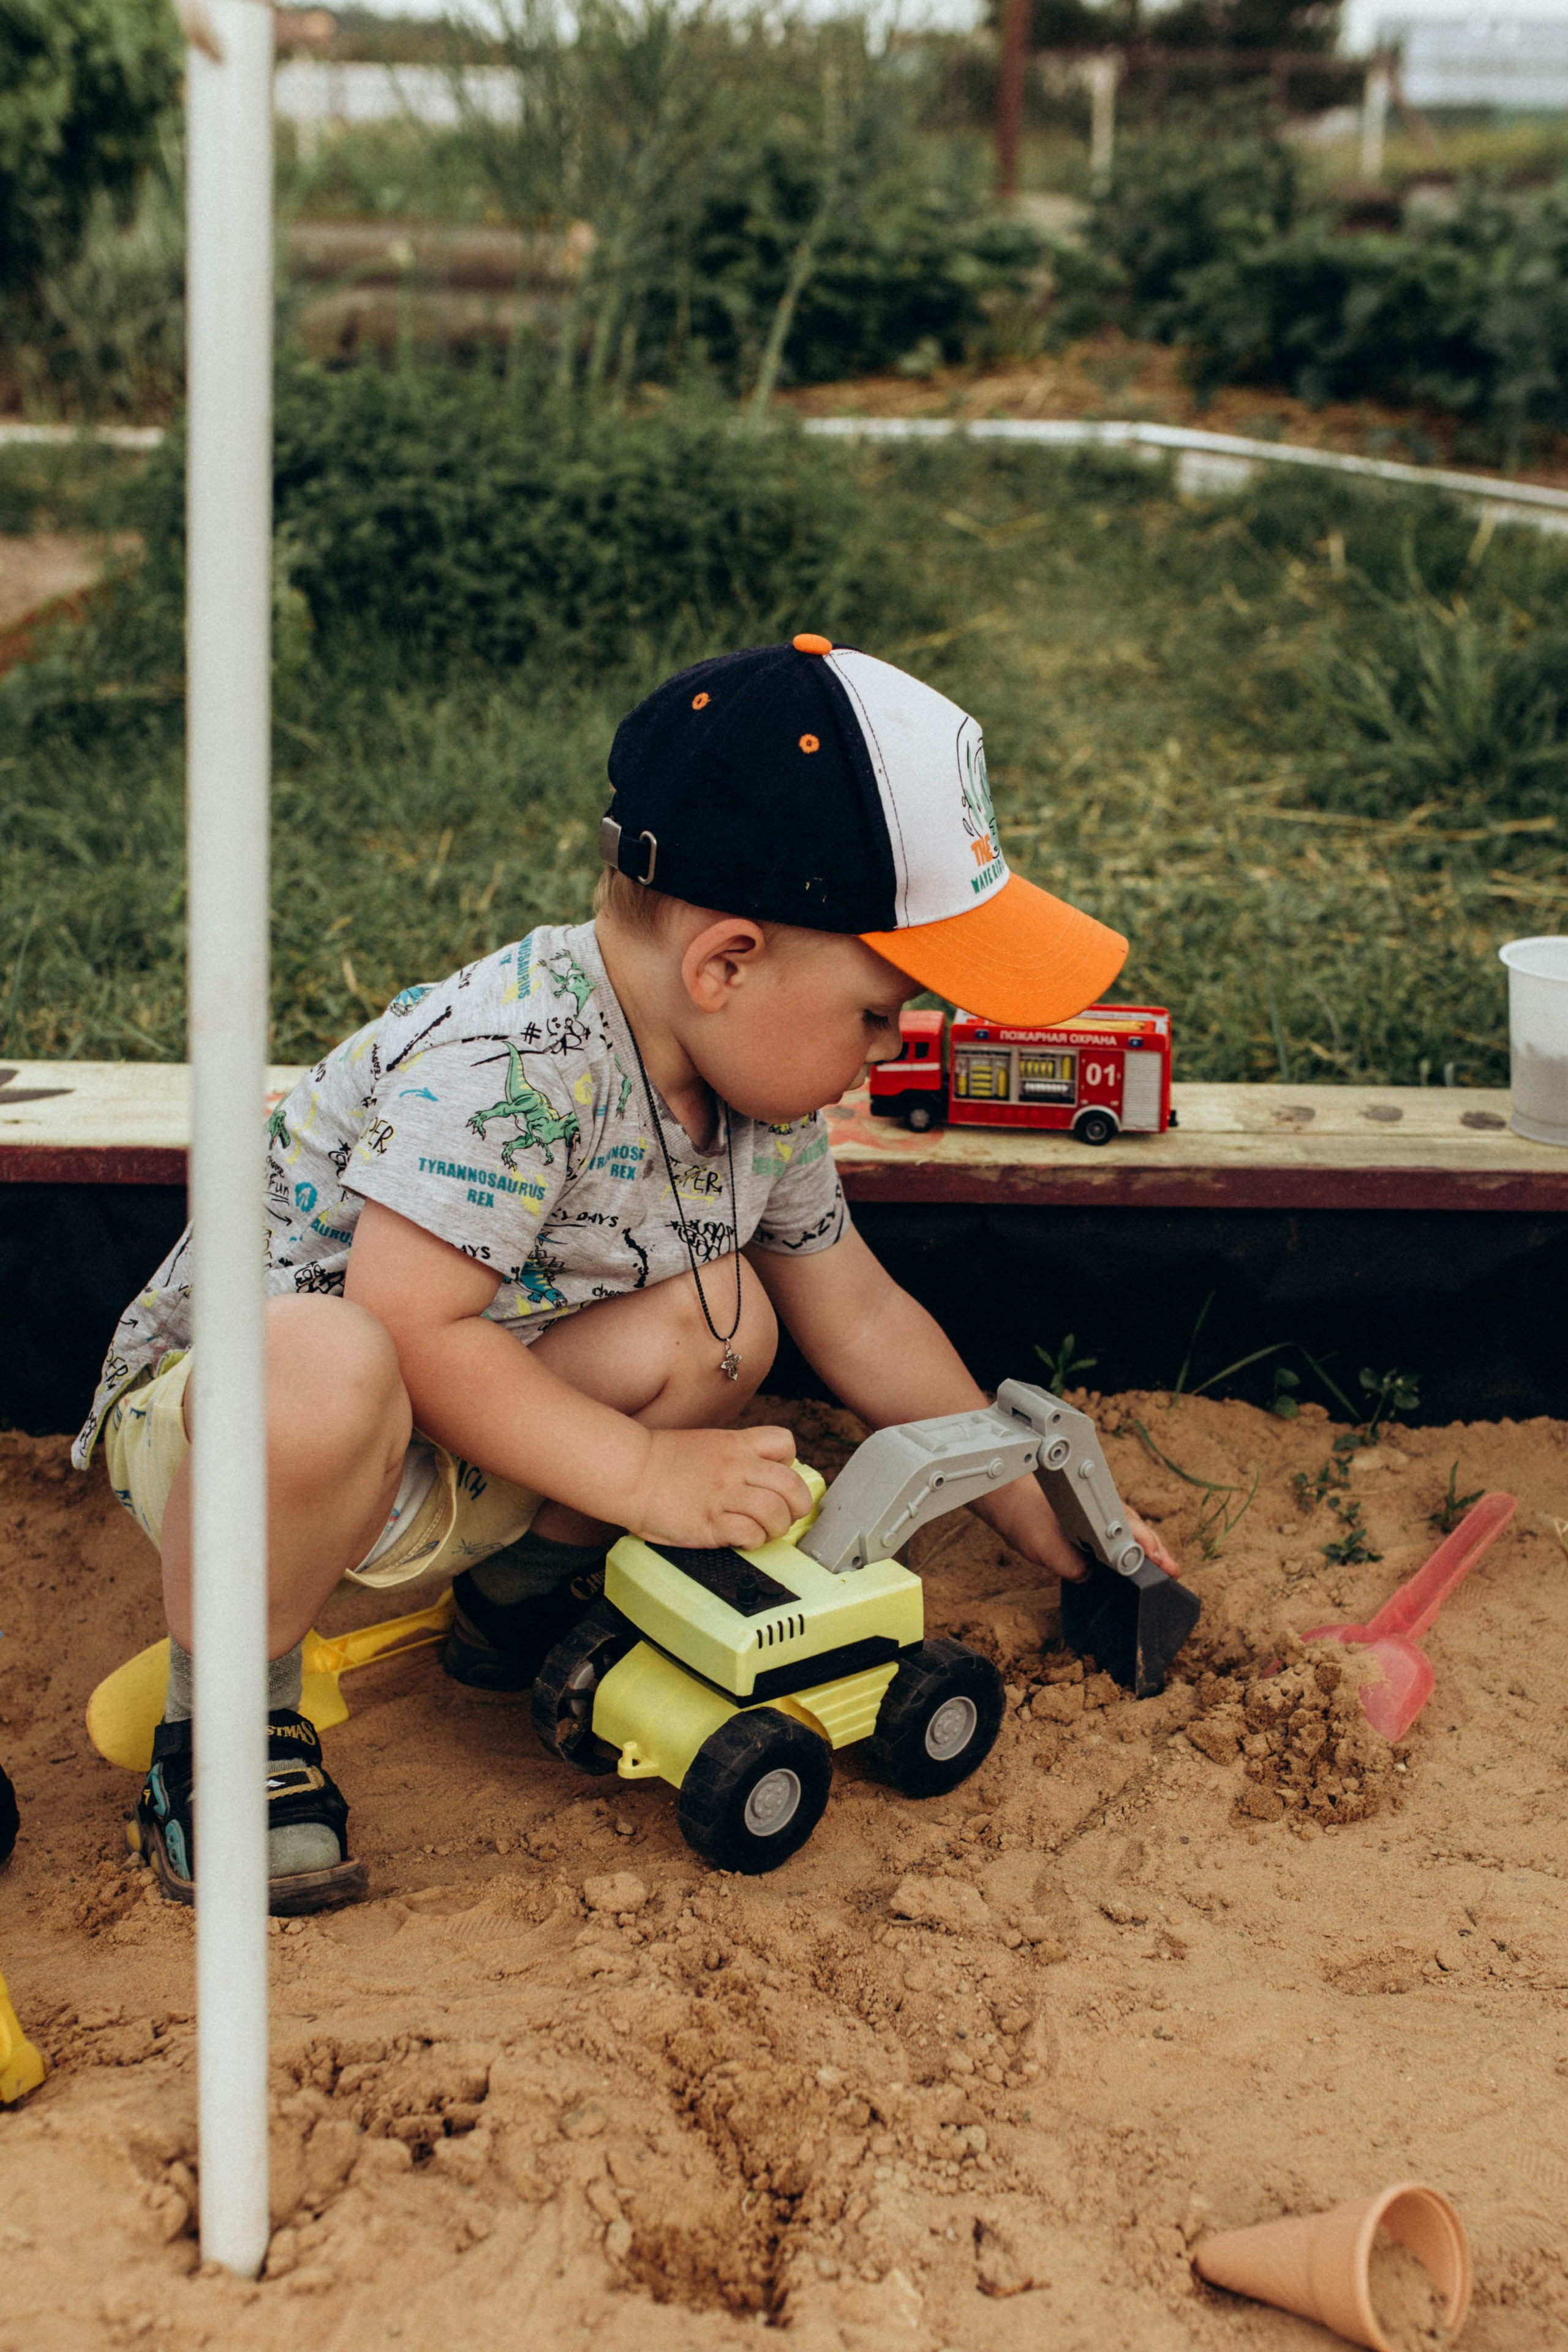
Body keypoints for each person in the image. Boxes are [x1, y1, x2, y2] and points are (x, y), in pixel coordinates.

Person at [74, 634, 1176, 1912]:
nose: (885, 1054)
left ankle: (518, 1606)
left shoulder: (763, 1103)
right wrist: (646, 1476)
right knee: (332, 1359)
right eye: (878, 1015)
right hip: (244, 1434)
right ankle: (226, 1734)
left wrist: (1039, 1511)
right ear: (725, 963)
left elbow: (860, 1313)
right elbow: (403, 1326)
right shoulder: (503, 1060)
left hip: (456, 1424)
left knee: (729, 1326)